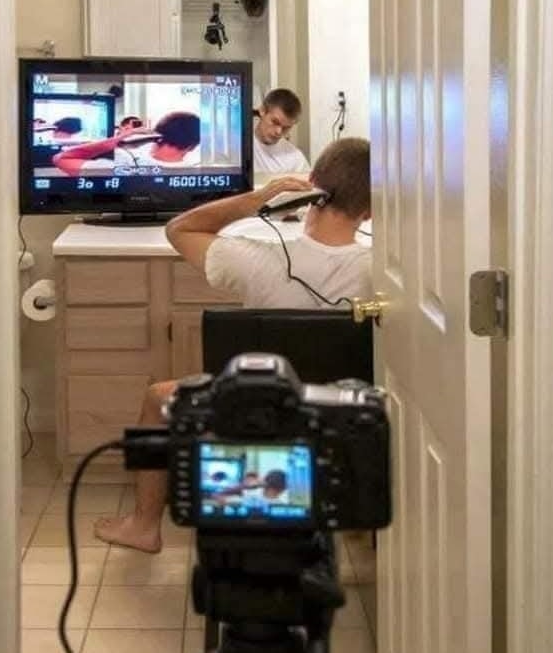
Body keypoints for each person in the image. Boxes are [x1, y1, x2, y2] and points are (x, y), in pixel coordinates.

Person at [93, 137, 372, 553]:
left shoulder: (254, 259)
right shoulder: (382, 269)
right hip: (334, 412)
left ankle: (143, 526)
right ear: (370, 210)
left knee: (157, 399)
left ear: (311, 185)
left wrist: (258, 199)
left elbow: (179, 228)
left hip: (249, 407)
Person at [53, 111, 201, 175]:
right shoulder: (196, 172)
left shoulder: (123, 164)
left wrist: (119, 139)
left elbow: (61, 158)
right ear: (192, 146)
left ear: (156, 133)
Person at [254, 88, 310, 174]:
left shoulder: (296, 158)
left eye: (286, 127)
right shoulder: (238, 145)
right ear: (262, 110)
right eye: (275, 122)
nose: (279, 132)